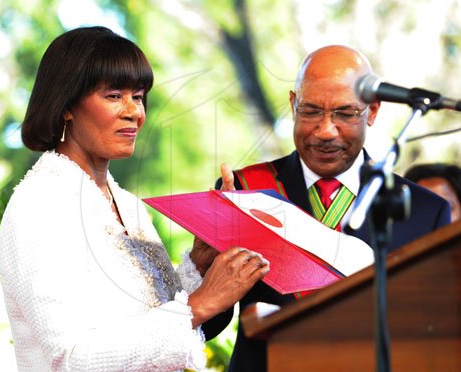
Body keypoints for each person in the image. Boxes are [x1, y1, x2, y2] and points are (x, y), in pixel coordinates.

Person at [0, 26, 270, 372]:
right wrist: (198, 305)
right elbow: (70, 360)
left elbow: (154, 318)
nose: (134, 112)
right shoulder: (39, 206)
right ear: (66, 105)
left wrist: (201, 265)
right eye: (114, 95)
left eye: (138, 96)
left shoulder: (129, 206)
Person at [191, 45, 451, 372]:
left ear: (372, 111)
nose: (325, 131)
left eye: (344, 113)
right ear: (292, 104)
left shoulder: (425, 212)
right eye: (311, 111)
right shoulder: (245, 189)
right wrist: (204, 271)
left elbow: (435, 339)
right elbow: (208, 327)